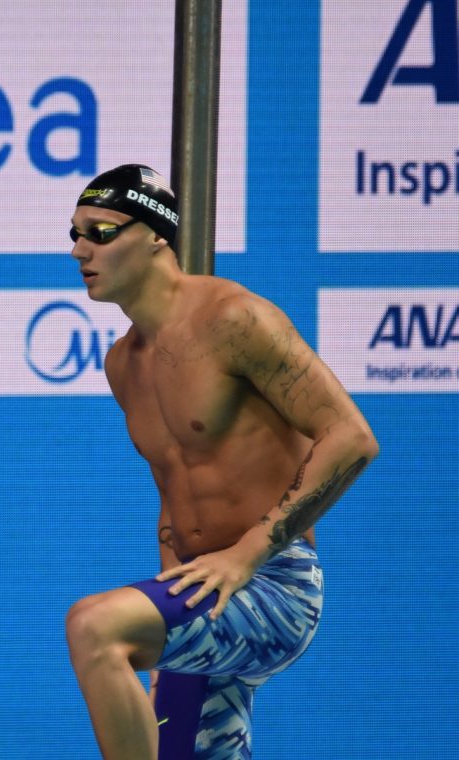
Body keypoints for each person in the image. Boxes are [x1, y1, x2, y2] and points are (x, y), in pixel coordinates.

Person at [65, 164, 379, 760]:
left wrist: (245, 554)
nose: (81, 250)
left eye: (100, 232)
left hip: (273, 586)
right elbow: (173, 494)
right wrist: (165, 616)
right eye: (74, 234)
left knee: (94, 627)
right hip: (199, 589)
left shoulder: (232, 319)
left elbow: (351, 437)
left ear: (156, 234)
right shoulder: (122, 363)